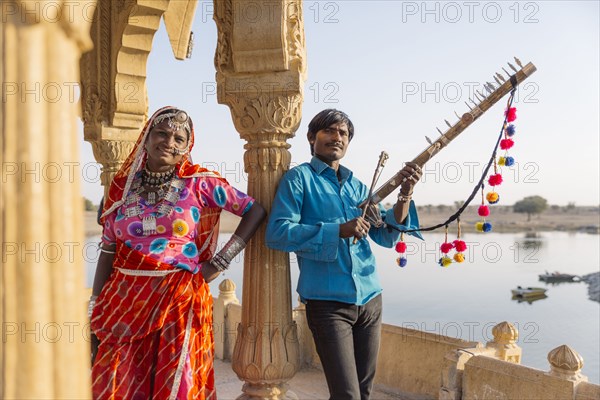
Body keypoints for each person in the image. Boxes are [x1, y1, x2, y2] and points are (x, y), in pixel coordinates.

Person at [90, 106, 266, 399]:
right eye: (161, 133)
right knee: (116, 381)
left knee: (175, 381)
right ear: (146, 138)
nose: (169, 142)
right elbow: (107, 251)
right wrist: (94, 307)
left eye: (178, 138)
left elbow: (254, 211)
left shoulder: (198, 182)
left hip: (178, 297)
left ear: (187, 148)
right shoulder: (120, 190)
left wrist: (218, 262)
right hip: (123, 299)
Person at [265, 109, 423, 399]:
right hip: (328, 304)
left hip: (370, 299)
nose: (337, 137)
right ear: (312, 137)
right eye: (329, 131)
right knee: (346, 394)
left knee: (363, 391)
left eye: (344, 133)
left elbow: (386, 234)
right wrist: (338, 230)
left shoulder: (358, 186)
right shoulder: (298, 179)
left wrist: (406, 193)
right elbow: (277, 233)